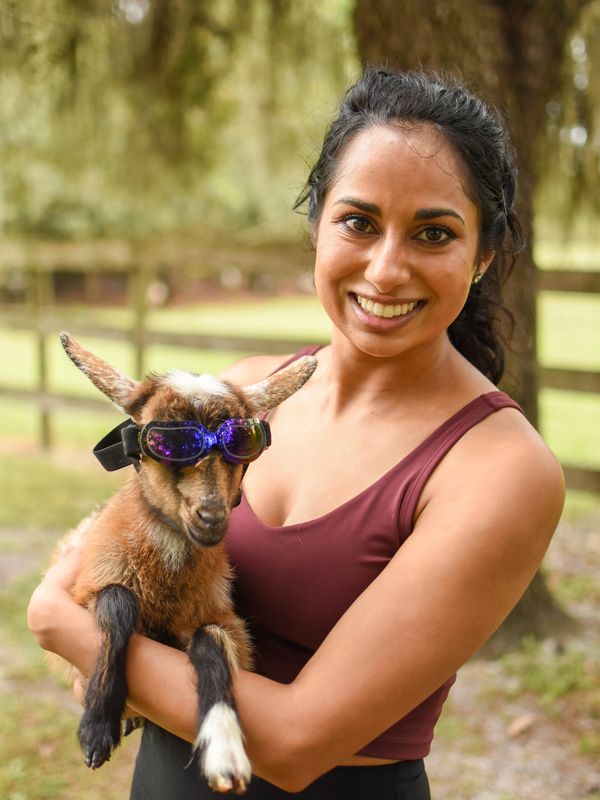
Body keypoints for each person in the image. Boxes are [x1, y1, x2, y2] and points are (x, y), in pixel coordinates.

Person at [27, 68, 565, 799]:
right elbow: (118, 550)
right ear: (316, 225)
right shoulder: (244, 399)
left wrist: (67, 628)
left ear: (483, 257)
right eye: (359, 221)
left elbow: (293, 743)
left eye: (434, 233)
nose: (386, 267)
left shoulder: (498, 470)